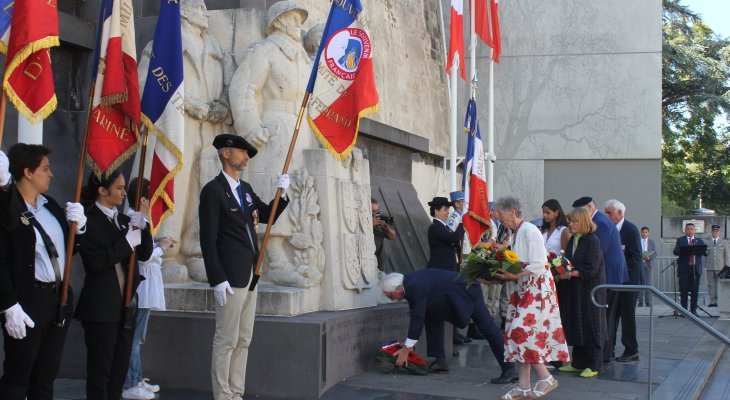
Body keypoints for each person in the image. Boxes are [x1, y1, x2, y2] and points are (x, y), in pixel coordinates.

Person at [199, 133, 290, 400]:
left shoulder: (245, 189)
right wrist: (217, 278)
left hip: (250, 273)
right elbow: (208, 240)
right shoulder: (213, 191)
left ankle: (236, 392)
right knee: (226, 340)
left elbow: (265, 216)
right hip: (229, 276)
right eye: (242, 152)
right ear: (225, 153)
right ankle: (223, 394)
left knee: (244, 339)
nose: (246, 157)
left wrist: (282, 195)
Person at [0, 145, 86, 400]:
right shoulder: (7, 210)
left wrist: (79, 229)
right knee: (18, 377)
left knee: (46, 377)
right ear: (27, 172)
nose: (51, 174)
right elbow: (1, 261)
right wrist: (8, 305)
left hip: (57, 299)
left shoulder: (51, 206)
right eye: (45, 169)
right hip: (27, 302)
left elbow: (67, 252)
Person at [75, 170, 154, 400]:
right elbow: (96, 261)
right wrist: (126, 242)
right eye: (119, 188)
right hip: (101, 308)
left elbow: (145, 254)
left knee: (118, 372)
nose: (123, 192)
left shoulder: (122, 220)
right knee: (101, 372)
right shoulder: (88, 219)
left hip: (126, 306)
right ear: (102, 190)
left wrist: (144, 224)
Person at [492, 196, 568, 400]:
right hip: (525, 287)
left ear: (512, 212)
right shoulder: (516, 232)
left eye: (500, 213)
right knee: (514, 334)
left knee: (521, 332)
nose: (498, 217)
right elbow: (519, 263)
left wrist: (514, 275)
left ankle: (545, 377)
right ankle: (523, 386)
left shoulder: (529, 230)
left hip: (537, 288)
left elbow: (540, 264)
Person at [380, 270, 517, 382]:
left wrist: (406, 348)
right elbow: (419, 314)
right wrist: (408, 345)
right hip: (455, 293)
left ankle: (509, 368)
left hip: (466, 291)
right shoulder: (409, 282)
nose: (392, 299)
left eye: (391, 295)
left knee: (488, 328)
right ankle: (440, 361)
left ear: (398, 287)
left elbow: (417, 318)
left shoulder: (414, 286)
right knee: (431, 316)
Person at [121, 178, 175, 399]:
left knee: (139, 337)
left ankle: (137, 377)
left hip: (148, 284)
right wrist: (160, 248)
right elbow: (140, 257)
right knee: (134, 337)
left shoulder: (143, 221)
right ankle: (130, 383)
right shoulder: (133, 220)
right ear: (142, 199)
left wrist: (157, 243)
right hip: (141, 285)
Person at [571, 196, 628, 363]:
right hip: (600, 276)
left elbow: (596, 252)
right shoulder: (597, 221)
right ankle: (591, 357)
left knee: (602, 319)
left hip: (606, 277)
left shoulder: (600, 222)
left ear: (589, 207)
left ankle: (602, 356)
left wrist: (575, 269)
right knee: (599, 318)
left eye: (580, 212)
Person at [556, 207, 606, 378]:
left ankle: (594, 365)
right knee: (578, 324)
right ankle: (578, 363)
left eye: (574, 221)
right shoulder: (573, 239)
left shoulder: (592, 240)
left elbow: (592, 268)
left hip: (589, 290)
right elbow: (570, 262)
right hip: (576, 289)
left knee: (591, 325)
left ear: (583, 222)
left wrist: (572, 273)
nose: (570, 224)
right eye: (570, 221)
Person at [603, 199, 642, 362]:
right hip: (614, 281)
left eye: (609, 213)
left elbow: (635, 257)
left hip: (628, 282)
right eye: (606, 213)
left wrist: (621, 270)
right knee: (611, 315)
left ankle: (631, 349)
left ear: (619, 213)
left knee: (627, 316)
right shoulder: (608, 229)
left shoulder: (630, 230)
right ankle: (608, 349)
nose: (607, 216)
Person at [673, 223, 706, 316]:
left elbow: (704, 252)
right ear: (685, 230)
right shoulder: (681, 240)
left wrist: (705, 251)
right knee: (684, 290)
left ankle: (693, 310)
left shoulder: (699, 241)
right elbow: (675, 251)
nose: (690, 231)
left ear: (695, 230)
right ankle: (684, 310)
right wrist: (683, 250)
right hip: (684, 269)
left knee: (695, 291)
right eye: (688, 229)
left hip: (696, 269)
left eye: (692, 229)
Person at [426, 196, 464, 271]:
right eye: (445, 210)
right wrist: (462, 224)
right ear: (436, 211)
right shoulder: (435, 227)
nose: (448, 212)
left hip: (447, 268)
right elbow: (453, 238)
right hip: (440, 268)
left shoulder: (444, 226)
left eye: (448, 209)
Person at [704, 224, 728, 307]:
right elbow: (704, 254)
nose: (715, 232)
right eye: (714, 231)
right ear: (711, 232)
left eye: (717, 231)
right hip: (710, 266)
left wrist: (727, 267)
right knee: (711, 284)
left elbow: (726, 255)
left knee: (720, 284)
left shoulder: (724, 242)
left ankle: (719, 300)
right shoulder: (707, 242)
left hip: (720, 267)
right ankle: (712, 301)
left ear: (719, 232)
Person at [371, 198, 396, 271]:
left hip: (380, 265)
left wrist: (386, 228)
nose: (376, 213)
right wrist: (371, 224)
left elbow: (393, 236)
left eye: (377, 211)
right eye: (373, 211)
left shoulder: (378, 219)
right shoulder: (363, 221)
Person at [638, 227, 656, 307]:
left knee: (648, 283)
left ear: (648, 233)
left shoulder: (651, 242)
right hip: (639, 264)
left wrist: (649, 257)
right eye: (643, 232)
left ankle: (648, 301)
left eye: (646, 232)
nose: (644, 233)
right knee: (640, 283)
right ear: (641, 233)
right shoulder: (637, 241)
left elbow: (655, 253)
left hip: (648, 264)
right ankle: (640, 301)